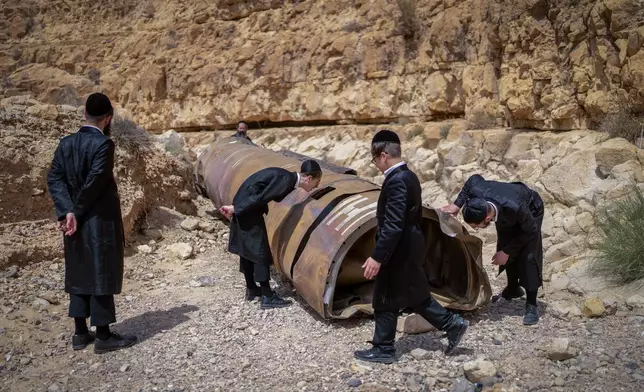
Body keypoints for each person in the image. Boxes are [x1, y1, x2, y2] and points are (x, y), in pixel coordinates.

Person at [354, 130, 469, 364]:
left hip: (399, 249)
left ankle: (384, 349)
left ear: (384, 155)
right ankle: (452, 324)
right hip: (410, 244)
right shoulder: (410, 176)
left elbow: (394, 224)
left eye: (374, 159)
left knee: (385, 296)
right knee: (415, 293)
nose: (375, 164)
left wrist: (378, 256)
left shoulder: (396, 181)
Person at [47, 93, 137, 354]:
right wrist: (76, 211)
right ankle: (104, 336)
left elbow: (55, 178)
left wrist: (67, 212)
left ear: (84, 114)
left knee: (78, 270)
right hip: (97, 220)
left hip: (73, 221)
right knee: (101, 271)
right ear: (108, 118)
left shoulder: (66, 143)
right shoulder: (104, 145)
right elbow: (96, 181)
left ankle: (79, 333)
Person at [441, 174, 544, 325]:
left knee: (528, 256)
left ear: (487, 219)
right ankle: (513, 288)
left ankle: (531, 305)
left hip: (531, 209)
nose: (476, 229)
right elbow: (473, 179)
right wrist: (456, 205)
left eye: (477, 226)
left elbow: (530, 231)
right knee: (503, 244)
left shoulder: (516, 207)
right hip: (505, 209)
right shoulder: (477, 190)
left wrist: (507, 252)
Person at [219, 160, 323, 309]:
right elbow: (261, 197)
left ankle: (252, 289)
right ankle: (267, 296)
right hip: (248, 208)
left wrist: (238, 206)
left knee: (247, 249)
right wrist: (236, 208)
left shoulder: (286, 176)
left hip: (246, 205)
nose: (317, 186)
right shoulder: (286, 179)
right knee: (260, 251)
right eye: (317, 182)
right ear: (309, 179)